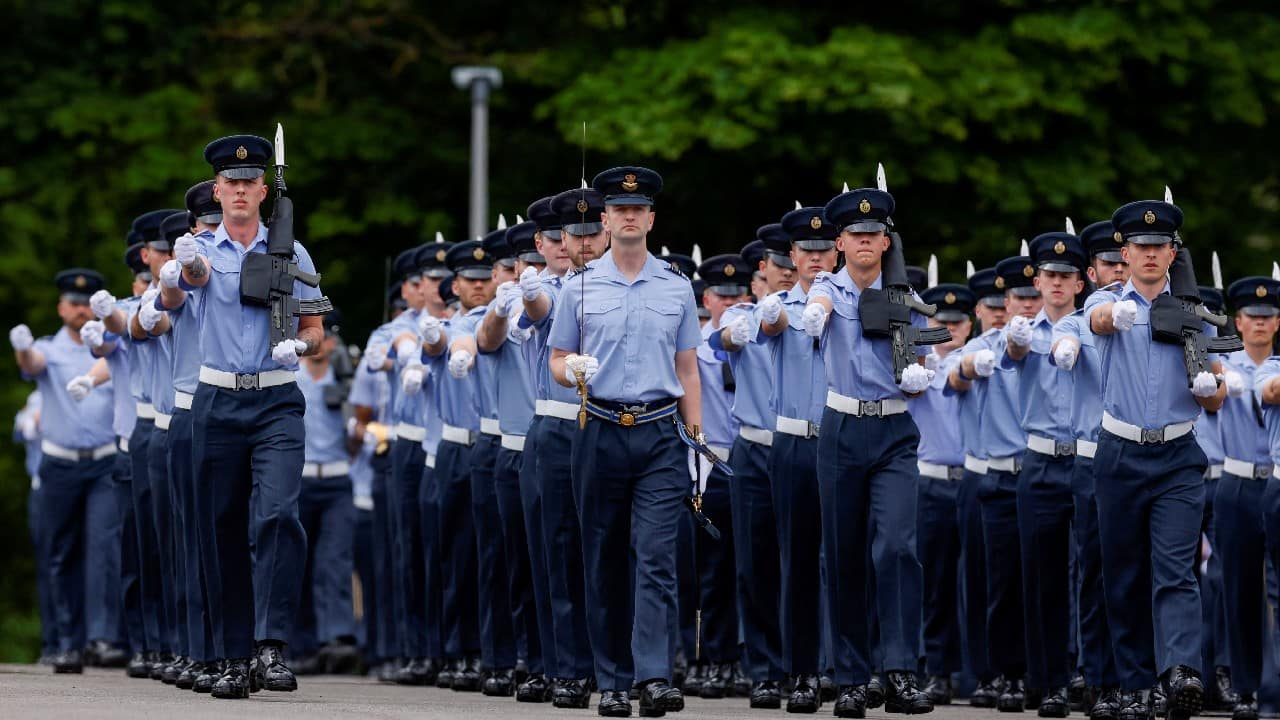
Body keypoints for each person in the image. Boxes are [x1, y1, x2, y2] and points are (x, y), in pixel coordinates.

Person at [173, 133, 327, 699]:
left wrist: (301, 350)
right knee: (219, 530)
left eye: (249, 183)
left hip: (276, 397)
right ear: (218, 189)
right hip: (216, 400)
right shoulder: (199, 253)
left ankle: (271, 644)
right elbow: (182, 291)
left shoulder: (291, 252)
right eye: (230, 184)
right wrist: (180, 268)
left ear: (264, 190)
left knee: (280, 515)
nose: (239, 191)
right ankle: (229, 656)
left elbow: (314, 330)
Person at [547, 165, 700, 717]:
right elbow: (557, 360)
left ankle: (653, 674)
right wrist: (572, 371)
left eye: (639, 209)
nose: (629, 215)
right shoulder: (578, 287)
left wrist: (697, 440)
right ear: (605, 219)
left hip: (660, 431)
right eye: (619, 208)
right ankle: (611, 677)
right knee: (604, 557)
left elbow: (688, 370)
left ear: (652, 218)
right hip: (600, 427)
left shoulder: (677, 286)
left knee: (657, 557)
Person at [1082, 198, 1224, 720]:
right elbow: (1090, 324)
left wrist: (1210, 387)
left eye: (1158, 246)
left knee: (1175, 569)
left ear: (1172, 253)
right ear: (1125, 251)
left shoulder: (1194, 310)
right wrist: (1109, 315)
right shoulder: (1106, 303)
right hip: (1119, 451)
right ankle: (1135, 683)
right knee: (1122, 574)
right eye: (1139, 246)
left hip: (1178, 454)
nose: (1148, 254)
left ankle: (1181, 669)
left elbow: (1216, 394)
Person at [10, 269, 120, 674]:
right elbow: (31, 362)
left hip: (104, 462)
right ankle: (66, 644)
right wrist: (21, 349)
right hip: (59, 463)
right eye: (73, 304)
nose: (79, 309)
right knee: (60, 555)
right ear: (61, 308)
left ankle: (100, 638)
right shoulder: (48, 349)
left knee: (103, 551)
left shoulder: (108, 345)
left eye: (86, 303)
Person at [707, 224, 797, 709]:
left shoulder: (816, 314)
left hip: (805, 444)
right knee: (757, 565)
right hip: (756, 445)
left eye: (794, 265)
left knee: (809, 560)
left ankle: (809, 665)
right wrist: (731, 333)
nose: (786, 274)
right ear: (762, 270)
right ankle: (764, 668)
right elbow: (719, 341)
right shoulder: (743, 314)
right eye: (778, 267)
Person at [756, 207, 840, 713]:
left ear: (837, 251)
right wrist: (774, 312)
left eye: (823, 250)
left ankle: (842, 668)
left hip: (840, 438)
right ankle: (802, 672)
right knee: (799, 563)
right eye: (806, 251)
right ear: (792, 256)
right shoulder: (777, 305)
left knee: (846, 559)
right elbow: (769, 326)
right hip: (791, 442)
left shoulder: (851, 303)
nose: (814, 258)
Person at [953, 253, 1042, 712]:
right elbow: (956, 376)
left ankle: (1050, 672)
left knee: (1050, 581)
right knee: (1001, 583)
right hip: (1003, 473)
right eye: (1018, 298)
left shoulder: (1059, 342)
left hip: (1047, 471)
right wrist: (970, 367)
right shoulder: (985, 346)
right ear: (1005, 302)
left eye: (1033, 296)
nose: (1027, 306)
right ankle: (1003, 673)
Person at [1004, 232, 1087, 717]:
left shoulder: (1097, 328)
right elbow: (1014, 357)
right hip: (1039, 459)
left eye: (1065, 276)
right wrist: (1018, 341)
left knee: (1094, 569)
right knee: (1042, 577)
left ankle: (1093, 674)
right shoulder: (1025, 332)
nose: (1056, 283)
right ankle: (1049, 678)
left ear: (1080, 282)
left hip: (1087, 457)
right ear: (1038, 280)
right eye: (1049, 276)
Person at [518, 194, 597, 709]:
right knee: (557, 554)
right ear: (559, 241)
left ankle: (618, 663)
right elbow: (539, 308)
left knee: (612, 550)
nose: (584, 243)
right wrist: (527, 292)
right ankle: (562, 665)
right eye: (575, 234)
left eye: (593, 232)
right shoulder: (551, 286)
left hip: (615, 425)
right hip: (559, 424)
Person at [1049, 220, 1128, 720]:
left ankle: (1142, 677)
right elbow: (1066, 344)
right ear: (1092, 272)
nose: (1118, 271)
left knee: (1138, 571)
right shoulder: (1078, 321)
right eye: (1109, 264)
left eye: (1124, 262)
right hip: (1093, 458)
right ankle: (1100, 676)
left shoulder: (1151, 312)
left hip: (1141, 457)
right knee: (1096, 573)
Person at [420, 238, 497, 690]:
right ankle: (457, 651)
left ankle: (489, 651)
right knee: (456, 555)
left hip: (491, 441)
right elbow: (433, 350)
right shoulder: (446, 328)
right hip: (455, 447)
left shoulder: (500, 325)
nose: (480, 287)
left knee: (493, 555)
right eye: (471, 280)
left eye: (486, 280)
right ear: (456, 284)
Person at [1208, 276, 1280, 720]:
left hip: (1273, 482)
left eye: (1267, 316)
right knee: (1237, 589)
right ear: (1238, 320)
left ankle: (1271, 686)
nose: (1259, 323)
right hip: (1234, 482)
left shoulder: (1276, 366)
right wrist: (1218, 378)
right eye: (1251, 316)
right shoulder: (1223, 364)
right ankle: (1246, 687)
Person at [941, 266, 1006, 707]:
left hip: (1015, 469)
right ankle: (978, 673)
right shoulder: (976, 352)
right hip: (975, 473)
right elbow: (956, 374)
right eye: (995, 307)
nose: (1003, 314)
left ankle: (1015, 673)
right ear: (980, 311)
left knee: (1011, 582)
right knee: (971, 583)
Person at [909, 282, 974, 706]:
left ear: (968, 326)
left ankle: (976, 671)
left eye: (956, 322)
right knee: (934, 583)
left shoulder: (980, 362)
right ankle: (937, 669)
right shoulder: (917, 367)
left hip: (972, 479)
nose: (949, 328)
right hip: (930, 480)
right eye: (941, 322)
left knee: (976, 583)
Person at [689, 253, 751, 699]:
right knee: (710, 571)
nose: (728, 301)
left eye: (736, 294)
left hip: (749, 458)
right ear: (706, 297)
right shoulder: (696, 343)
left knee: (750, 568)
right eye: (720, 294)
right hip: (708, 461)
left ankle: (748, 660)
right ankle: (713, 658)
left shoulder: (755, 337)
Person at [293, 309, 359, 672]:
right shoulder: (292, 376)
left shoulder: (346, 380)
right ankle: (300, 643)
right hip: (300, 479)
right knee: (297, 563)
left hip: (336, 479)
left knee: (334, 561)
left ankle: (337, 638)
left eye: (328, 338)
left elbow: (364, 421)